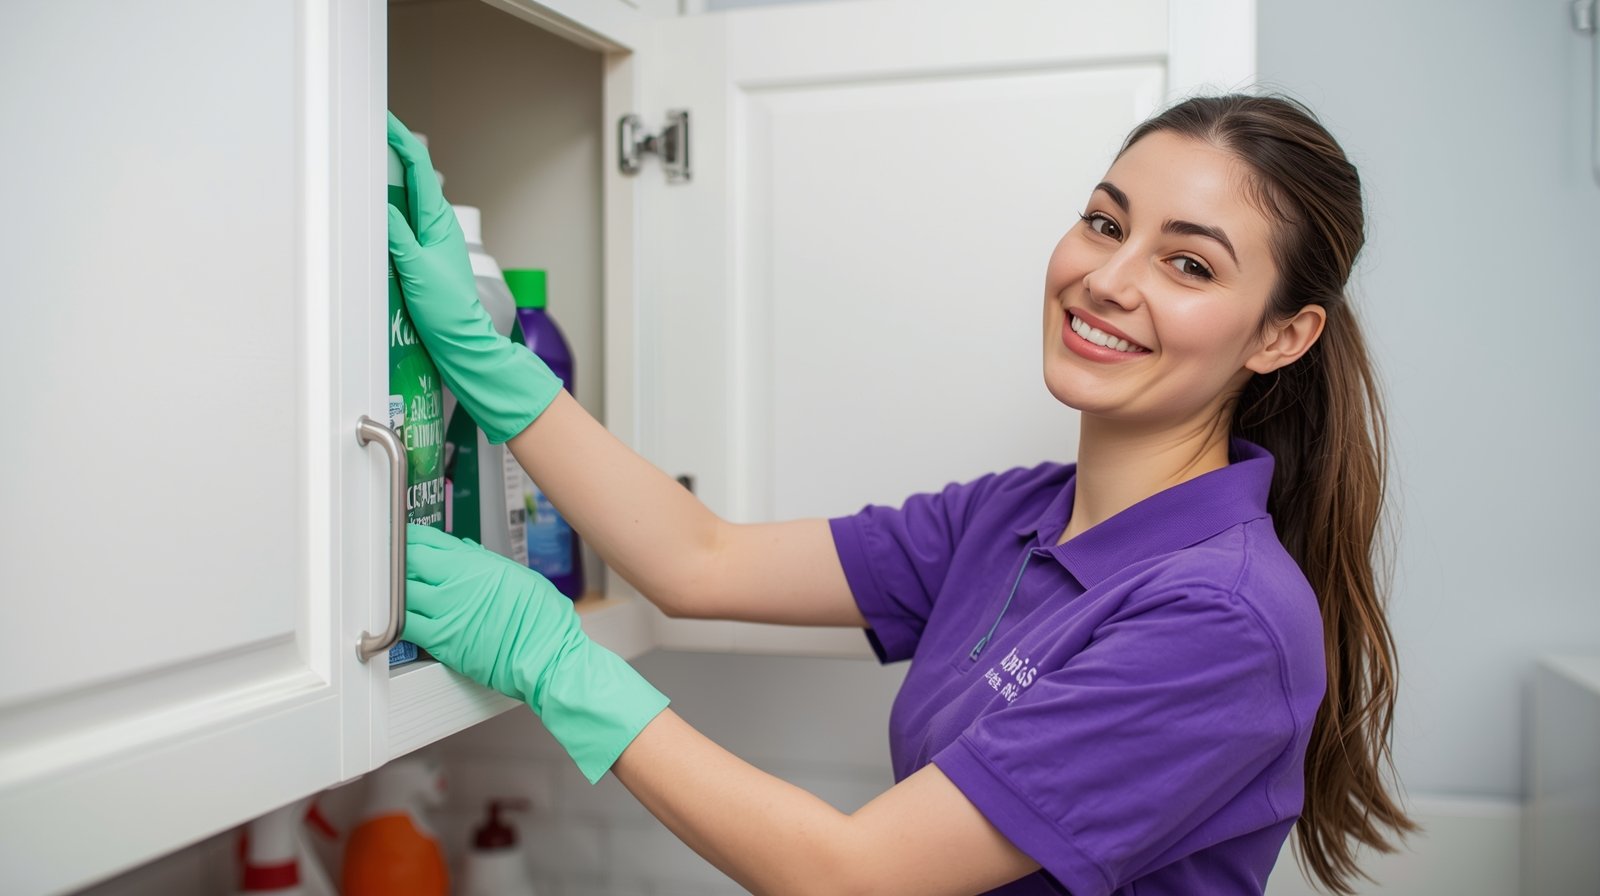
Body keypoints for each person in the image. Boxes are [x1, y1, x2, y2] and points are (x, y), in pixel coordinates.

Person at [386, 93, 1415, 896]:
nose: (1109, 278)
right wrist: (486, 360)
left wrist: (558, 665)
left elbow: (855, 874)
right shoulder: (1014, 517)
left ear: (1282, 336)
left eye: (1186, 262)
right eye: (1105, 223)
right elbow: (699, 560)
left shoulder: (1224, 616)